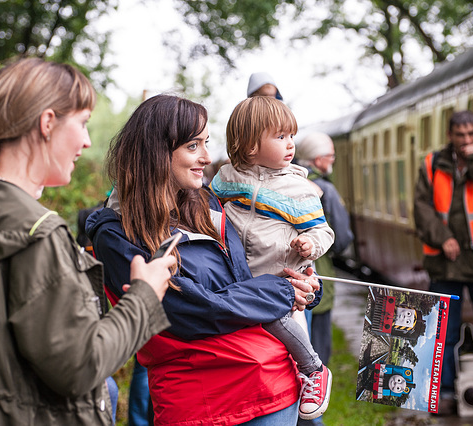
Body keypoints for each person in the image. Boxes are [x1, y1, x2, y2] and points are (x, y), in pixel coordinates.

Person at [0, 58, 177, 425]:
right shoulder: (39, 234)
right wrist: (144, 297)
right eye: (82, 123)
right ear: (47, 123)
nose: (86, 140)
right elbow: (80, 367)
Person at [87, 94, 321, 425]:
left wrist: (302, 284)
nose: (207, 157)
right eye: (193, 146)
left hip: (272, 389)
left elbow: (246, 279)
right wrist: (281, 293)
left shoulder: (208, 206)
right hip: (202, 403)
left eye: (206, 143)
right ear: (156, 152)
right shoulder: (116, 232)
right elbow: (186, 312)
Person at [211, 96, 335, 420]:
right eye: (281, 137)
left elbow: (325, 231)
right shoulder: (227, 178)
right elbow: (211, 210)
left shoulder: (298, 189)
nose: (291, 144)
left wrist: (309, 243)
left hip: (280, 280)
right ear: (250, 146)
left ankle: (315, 369)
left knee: (277, 321)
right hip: (243, 277)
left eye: (291, 136)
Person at [413, 110, 473, 416]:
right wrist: (443, 238)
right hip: (444, 263)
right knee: (444, 333)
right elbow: (421, 208)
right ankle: (443, 394)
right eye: (461, 135)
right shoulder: (431, 164)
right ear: (450, 136)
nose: (467, 140)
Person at [295, 131, 355, 366]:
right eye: (330, 156)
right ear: (318, 159)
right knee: (318, 343)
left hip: (289, 277)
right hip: (318, 276)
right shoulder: (325, 190)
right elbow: (341, 239)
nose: (332, 160)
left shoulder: (288, 182)